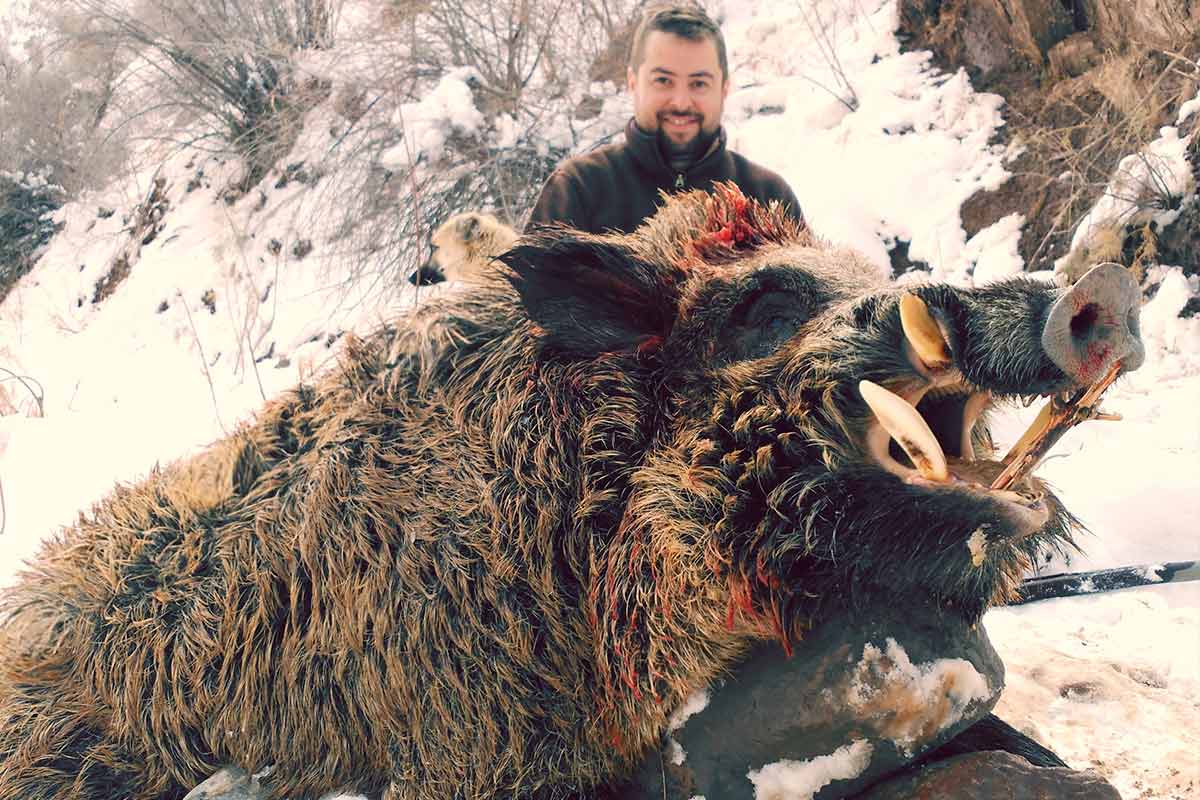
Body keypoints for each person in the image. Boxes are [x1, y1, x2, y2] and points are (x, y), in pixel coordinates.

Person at [526, 4, 803, 235]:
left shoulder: (769, 197)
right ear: (633, 83)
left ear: (724, 89)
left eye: (699, 83)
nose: (681, 102)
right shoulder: (578, 189)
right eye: (663, 80)